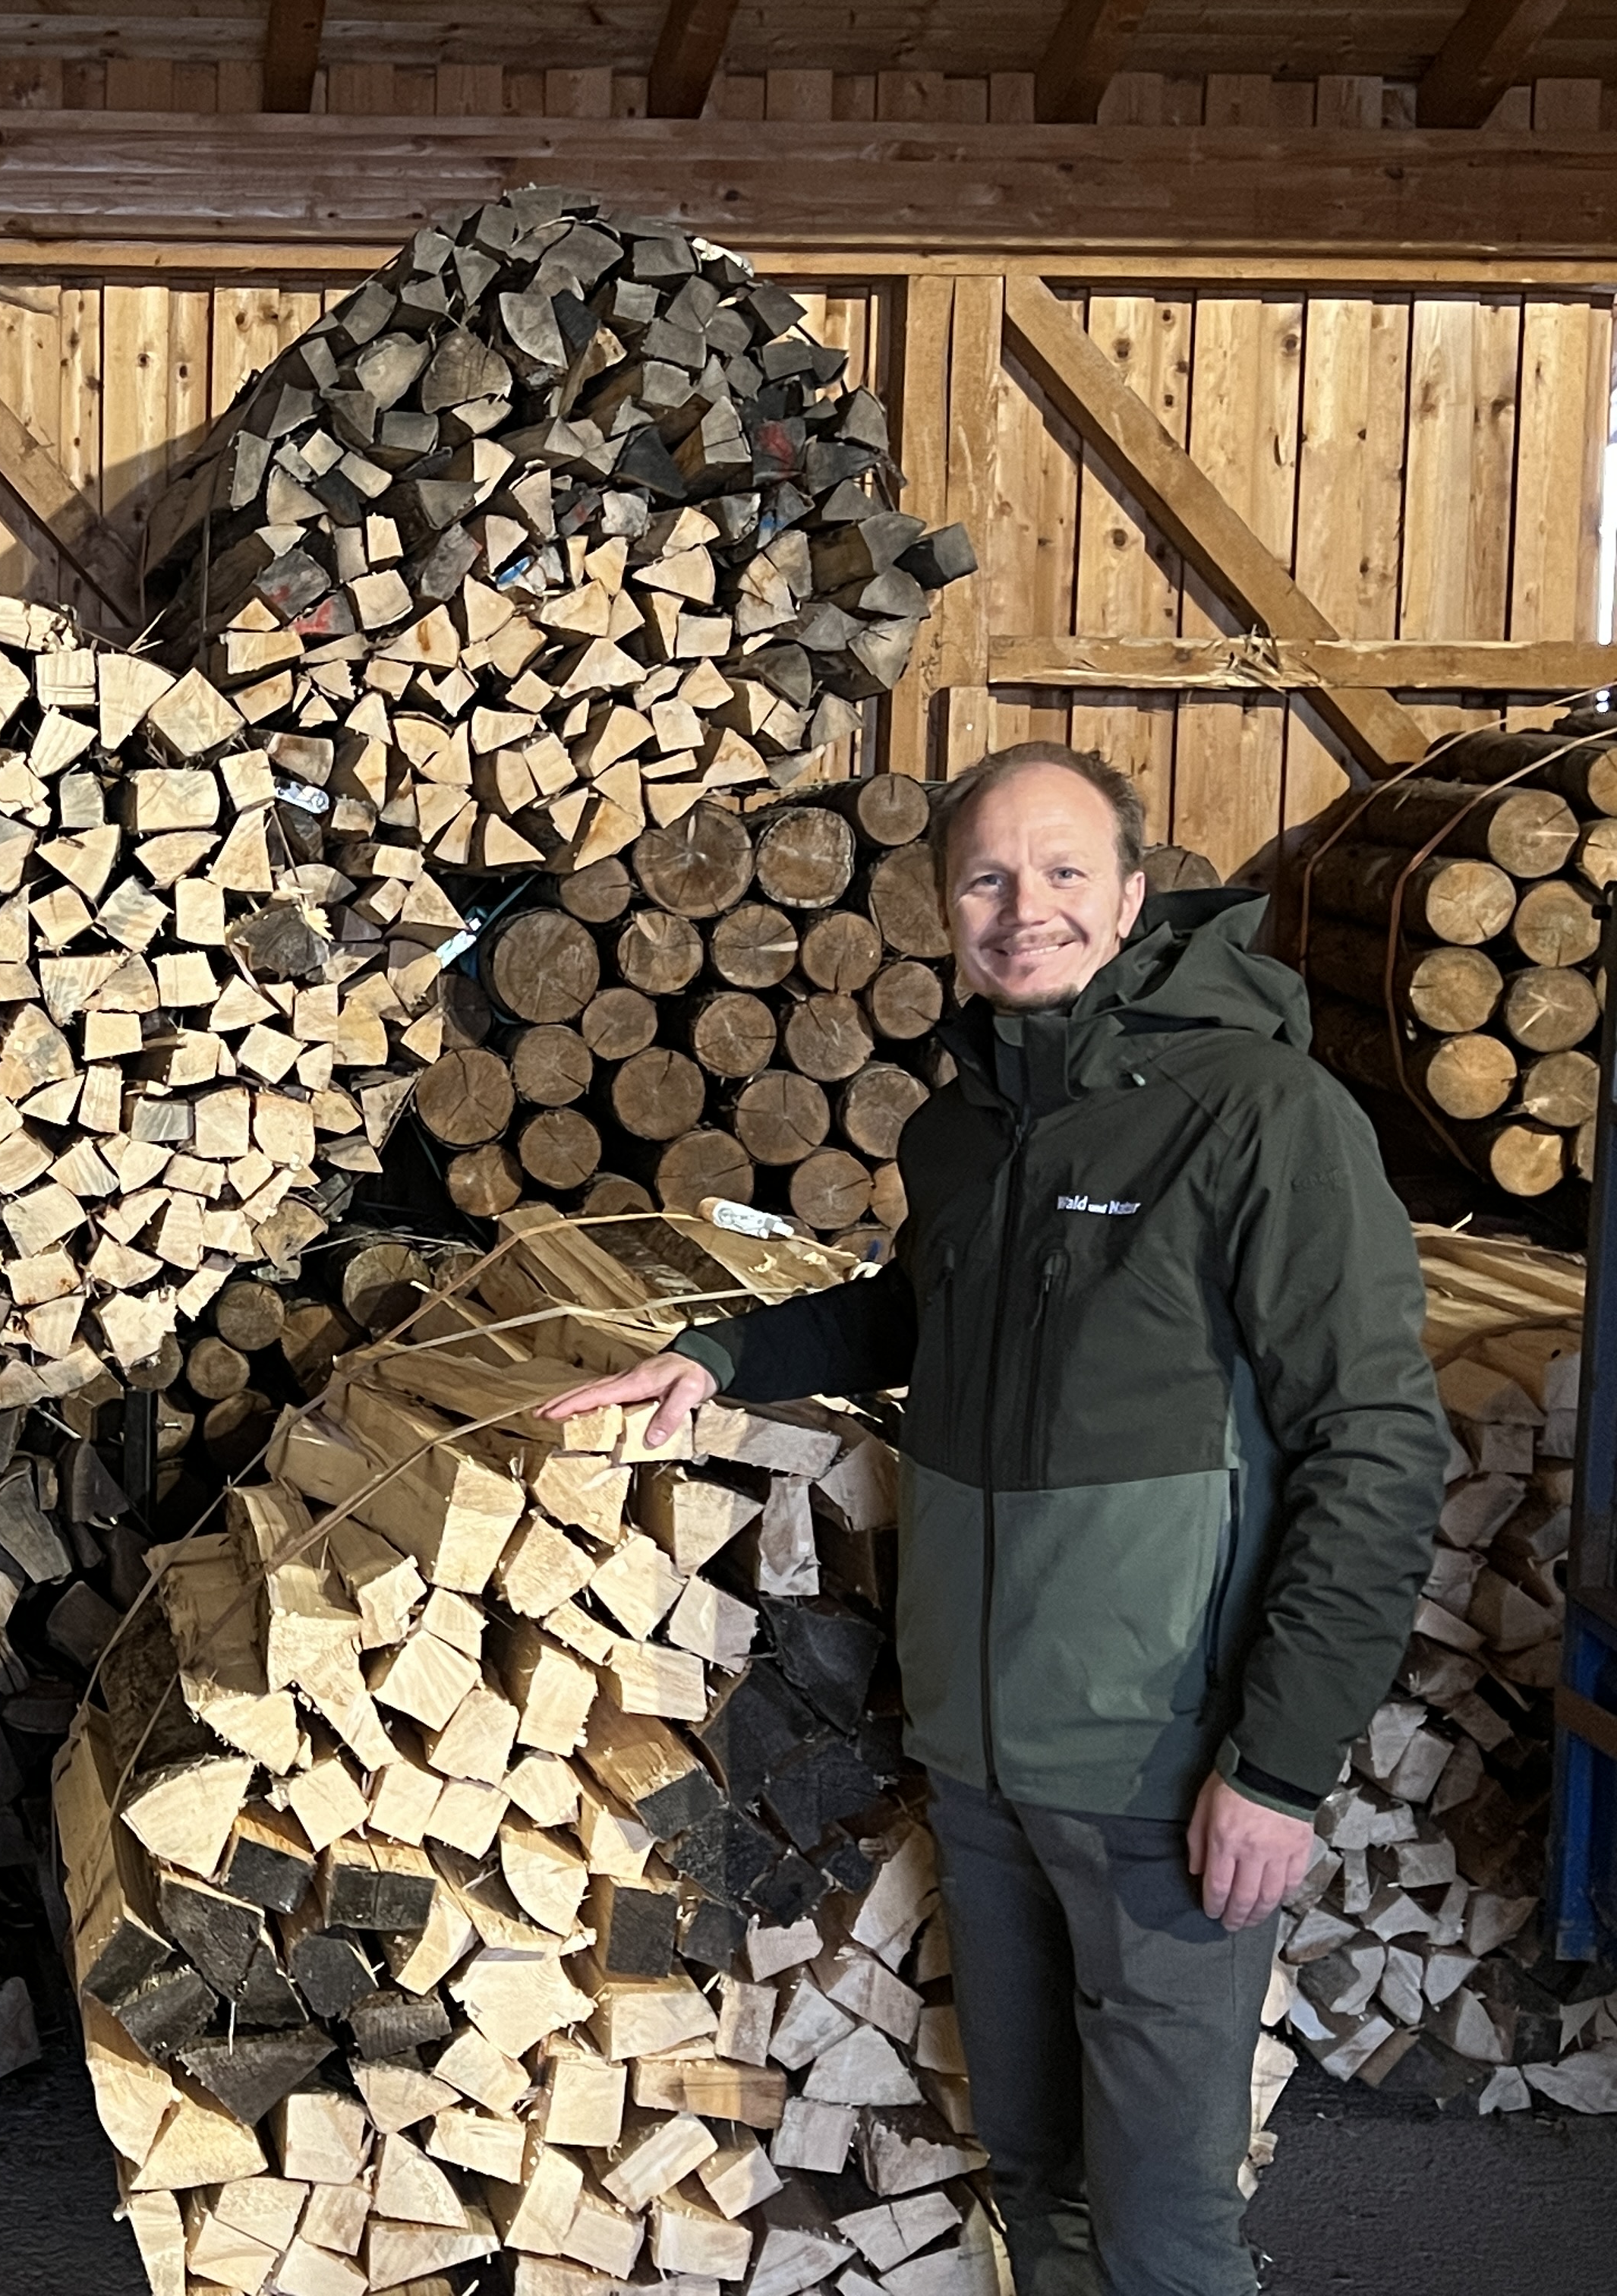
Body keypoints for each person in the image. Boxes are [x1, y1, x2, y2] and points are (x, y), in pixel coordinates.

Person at [547, 743, 1447, 2296]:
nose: (1023, 910)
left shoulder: (1261, 1118)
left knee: (1168, 2238)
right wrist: (718, 1354)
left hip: (1161, 1772)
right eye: (986, 878)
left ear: (1136, 897)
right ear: (945, 909)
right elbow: (914, 1319)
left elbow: (1377, 1448)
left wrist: (1281, 1766)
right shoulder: (964, 1134)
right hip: (981, 1754)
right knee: (1036, 2182)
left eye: (1063, 873)